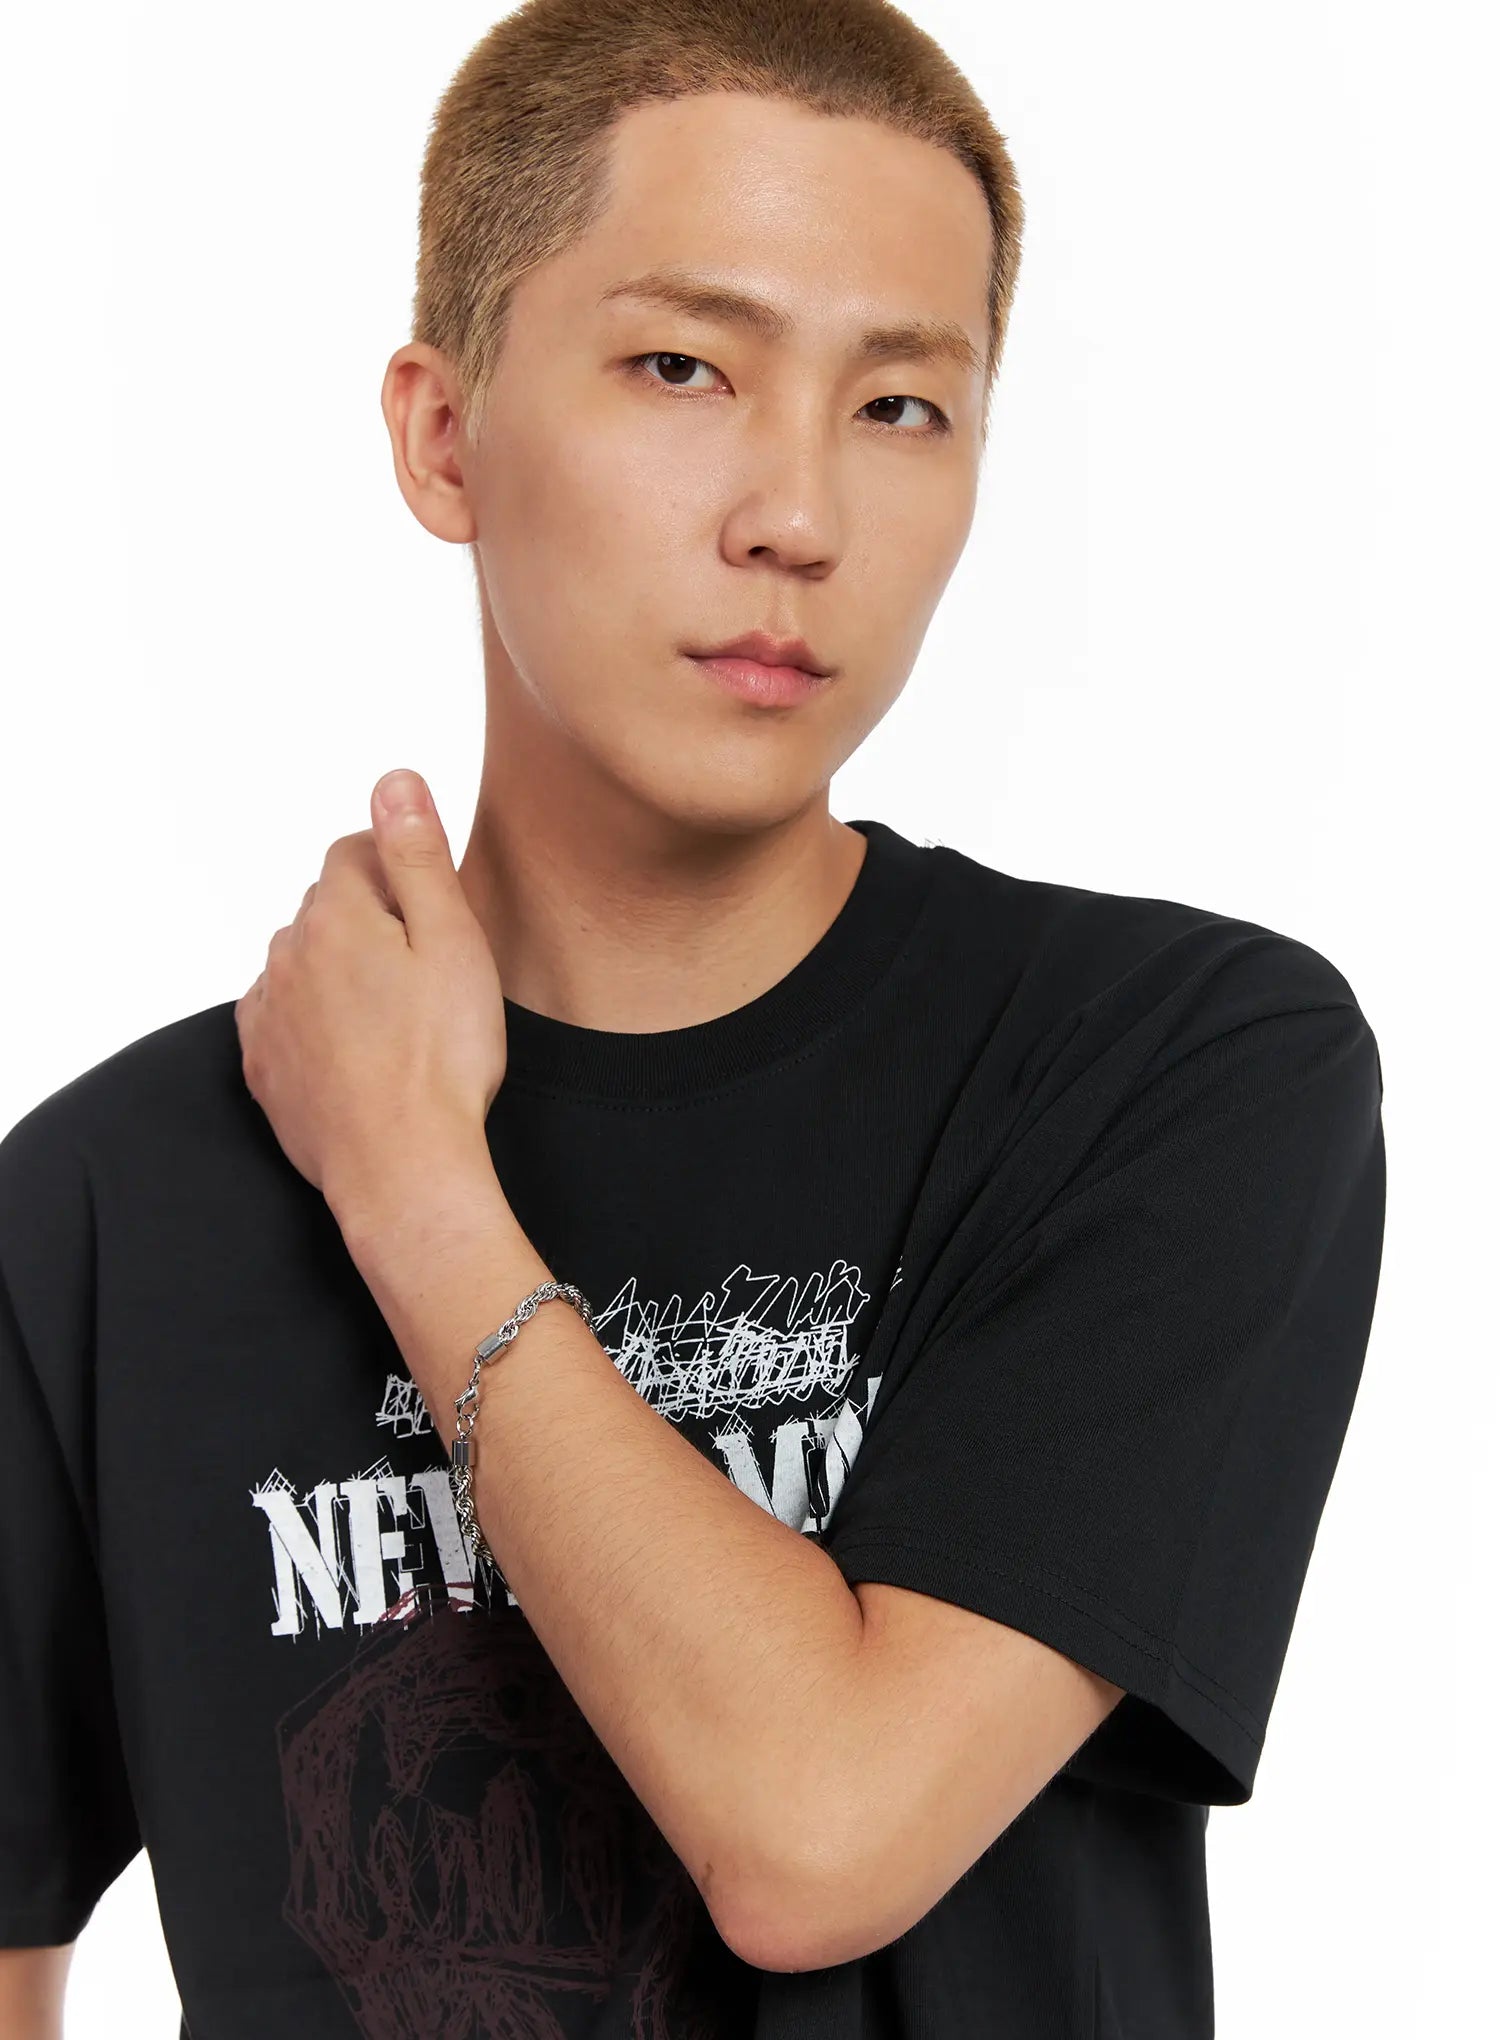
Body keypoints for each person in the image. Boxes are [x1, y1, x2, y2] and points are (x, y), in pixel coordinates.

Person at [0, 1, 1386, 2035]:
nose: (796, 516)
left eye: (900, 405)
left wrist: (413, 1186)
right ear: (444, 436)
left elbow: (816, 1833)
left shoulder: (1167, 1073)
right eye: (683, 368)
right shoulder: (106, 1210)